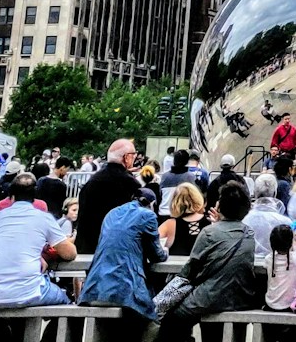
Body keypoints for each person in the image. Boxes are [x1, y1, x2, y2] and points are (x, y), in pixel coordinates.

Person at [156, 180, 261, 340]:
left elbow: (190, 270)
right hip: (241, 297)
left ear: (220, 206)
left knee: (172, 320)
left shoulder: (209, 232)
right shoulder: (249, 234)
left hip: (211, 297)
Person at [0, 173, 77, 308]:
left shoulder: (0, 216)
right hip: (28, 291)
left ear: (11, 196)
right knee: (67, 302)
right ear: (34, 196)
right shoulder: (43, 217)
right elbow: (69, 254)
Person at [79, 195, 170, 333]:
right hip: (123, 290)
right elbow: (157, 255)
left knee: (110, 324)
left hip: (93, 290)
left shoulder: (112, 213)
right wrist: (166, 250)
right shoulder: (147, 215)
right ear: (152, 204)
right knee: (155, 320)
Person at [74, 138, 143, 254]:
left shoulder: (92, 181)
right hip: (116, 246)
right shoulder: (130, 184)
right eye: (133, 155)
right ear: (126, 157)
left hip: (89, 244)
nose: (135, 157)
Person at [243, 172, 287, 261]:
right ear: (275, 193)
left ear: (255, 193)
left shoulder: (244, 220)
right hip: (276, 268)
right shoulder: (285, 222)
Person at [265, 223, 296, 312]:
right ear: (291, 242)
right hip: (291, 305)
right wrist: (293, 243)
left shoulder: (269, 259)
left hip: (271, 304)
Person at [161, 183, 207, 253]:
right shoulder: (211, 222)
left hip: (177, 263)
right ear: (198, 199)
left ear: (174, 201)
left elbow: (152, 243)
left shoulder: (169, 224)